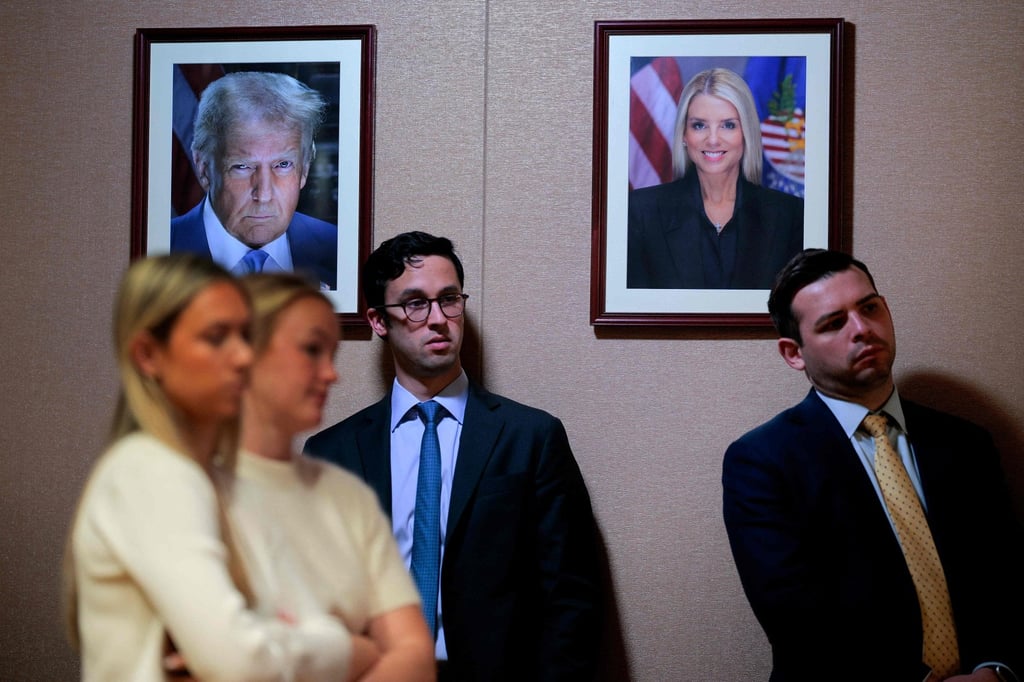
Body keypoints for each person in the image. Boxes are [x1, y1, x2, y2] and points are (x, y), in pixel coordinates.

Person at [304, 231, 603, 681]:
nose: (438, 319)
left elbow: (572, 594)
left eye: (449, 299)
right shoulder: (332, 453)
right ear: (379, 321)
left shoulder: (532, 437)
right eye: (414, 304)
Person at [722, 248, 1024, 681]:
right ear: (794, 353)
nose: (862, 330)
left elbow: (1007, 578)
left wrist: (996, 670)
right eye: (833, 323)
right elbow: (798, 623)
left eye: (869, 308)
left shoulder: (966, 443)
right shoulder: (762, 463)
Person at [64, 253, 355, 681]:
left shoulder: (219, 480)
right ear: (148, 355)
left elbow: (307, 616)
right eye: (217, 337)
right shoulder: (148, 472)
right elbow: (242, 663)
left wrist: (281, 638)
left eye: (246, 336)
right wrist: (348, 649)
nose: (243, 357)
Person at [230, 271, 434, 681]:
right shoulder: (173, 485)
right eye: (309, 351)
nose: (331, 374)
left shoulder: (342, 491)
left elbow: (412, 653)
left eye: (330, 353)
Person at [627, 67, 803, 289]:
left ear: (746, 133)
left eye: (728, 125)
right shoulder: (640, 213)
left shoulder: (790, 215)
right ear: (684, 135)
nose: (712, 140)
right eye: (699, 125)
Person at [171, 71, 338, 290]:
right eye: (242, 166)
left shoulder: (338, 249)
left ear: (305, 168)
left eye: (283, 165)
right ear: (204, 169)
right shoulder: (161, 251)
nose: (264, 195)